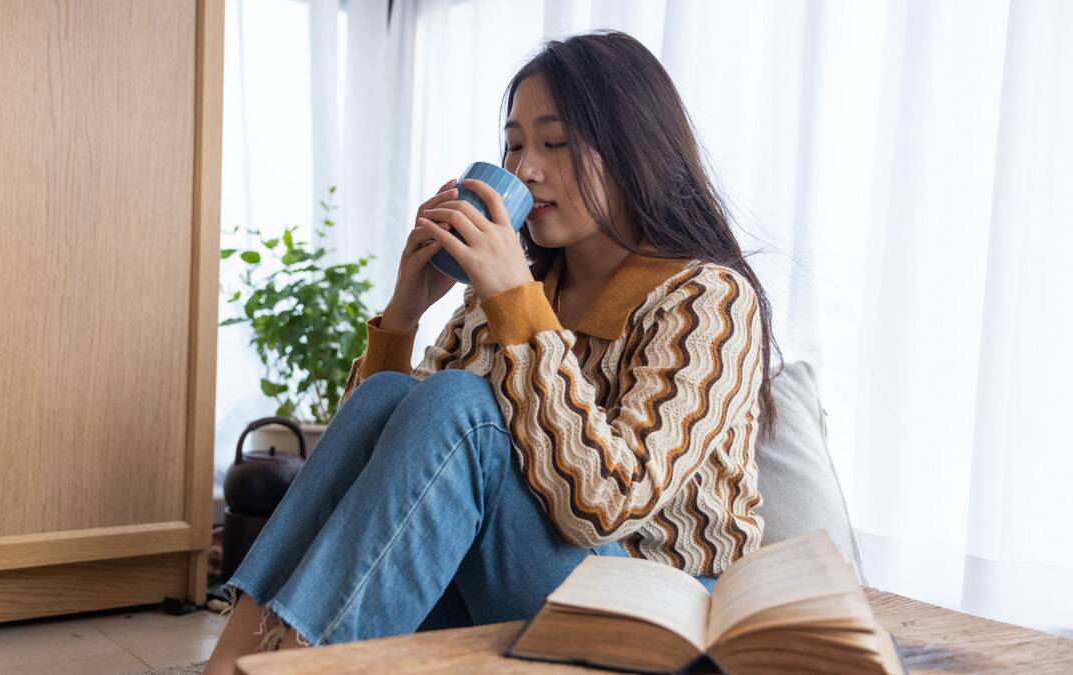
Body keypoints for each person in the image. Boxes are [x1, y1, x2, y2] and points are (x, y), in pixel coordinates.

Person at [203, 28, 783, 673]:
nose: (526, 169)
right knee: (396, 397)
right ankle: (235, 659)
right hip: (509, 579)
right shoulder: (501, 297)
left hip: (657, 612)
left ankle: (298, 664)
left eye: (555, 143)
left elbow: (609, 506)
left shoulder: (707, 297)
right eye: (514, 146)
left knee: (462, 405)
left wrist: (516, 303)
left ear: (634, 149)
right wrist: (403, 313)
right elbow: (374, 470)